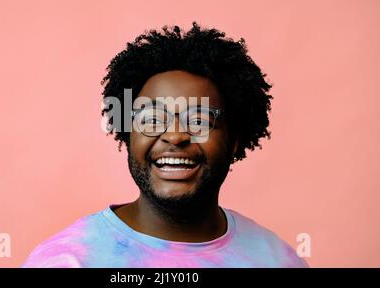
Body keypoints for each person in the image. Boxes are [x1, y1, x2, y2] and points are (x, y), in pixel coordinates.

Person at [22, 22, 308, 268]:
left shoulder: (276, 260)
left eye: (199, 120)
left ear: (234, 140)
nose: (175, 136)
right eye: (151, 118)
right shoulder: (68, 260)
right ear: (128, 133)